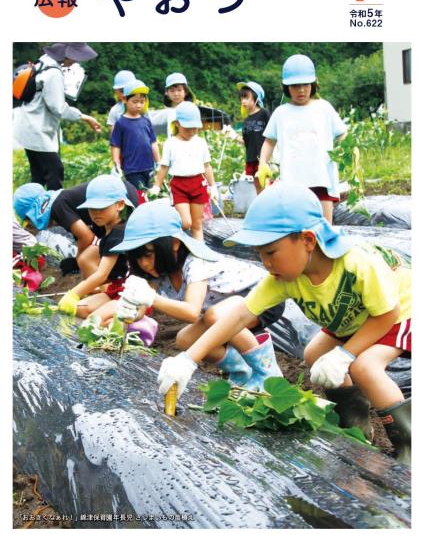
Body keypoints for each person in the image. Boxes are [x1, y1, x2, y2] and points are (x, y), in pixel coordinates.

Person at [155, 182, 411, 465]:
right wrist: (189, 359)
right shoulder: (285, 278)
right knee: (314, 354)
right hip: (353, 319)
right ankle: (356, 428)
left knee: (364, 366)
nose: (265, 262)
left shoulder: (357, 264)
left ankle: (409, 447)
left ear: (308, 241)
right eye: (260, 254)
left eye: (271, 252)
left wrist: (346, 354)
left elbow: (386, 314)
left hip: (400, 311)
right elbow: (239, 315)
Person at [108, 200, 283, 389]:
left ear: (174, 243)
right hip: (225, 312)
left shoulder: (195, 263)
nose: (144, 264)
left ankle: (268, 373)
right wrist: (129, 308)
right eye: (137, 258)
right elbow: (140, 310)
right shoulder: (159, 274)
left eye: (148, 255)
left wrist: (152, 298)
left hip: (260, 297)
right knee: (185, 339)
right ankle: (242, 371)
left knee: (214, 315)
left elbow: (192, 312)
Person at [257, 54, 347, 223]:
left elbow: (342, 134)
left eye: (305, 85)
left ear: (313, 85)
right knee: (298, 230)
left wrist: (347, 153)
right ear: (287, 87)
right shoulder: (281, 113)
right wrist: (262, 163)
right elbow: (269, 141)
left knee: (324, 228)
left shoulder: (324, 108)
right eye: (295, 86)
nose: (301, 90)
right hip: (293, 182)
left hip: (322, 179)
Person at [13, 43, 101, 190]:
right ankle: (54, 209)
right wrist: (85, 117)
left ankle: (30, 210)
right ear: (66, 54)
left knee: (38, 177)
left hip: (28, 125)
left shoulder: (43, 62)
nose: (75, 61)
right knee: (55, 171)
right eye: (74, 57)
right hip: (37, 130)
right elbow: (57, 107)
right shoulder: (53, 72)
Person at [13, 179, 139, 278]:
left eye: (29, 220)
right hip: (123, 195)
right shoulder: (59, 201)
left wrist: (77, 259)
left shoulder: (57, 207)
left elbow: (86, 236)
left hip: (119, 199)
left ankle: (109, 284)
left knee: (89, 258)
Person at [57, 175, 135, 317]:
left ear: (120, 205)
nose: (96, 213)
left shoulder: (118, 234)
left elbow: (101, 274)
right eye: (92, 208)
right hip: (116, 288)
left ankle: (136, 322)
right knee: (78, 309)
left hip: (131, 293)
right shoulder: (108, 230)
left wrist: (74, 293)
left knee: (95, 318)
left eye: (102, 207)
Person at [149, 101, 217, 240]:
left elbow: (207, 166)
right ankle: (174, 246)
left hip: (198, 183)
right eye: (188, 128)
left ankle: (199, 255)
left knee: (197, 224)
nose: (192, 132)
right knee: (186, 223)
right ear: (177, 123)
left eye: (195, 128)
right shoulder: (171, 143)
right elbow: (164, 167)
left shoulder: (200, 143)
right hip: (179, 185)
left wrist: (213, 186)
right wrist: (156, 186)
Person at [110, 79, 160, 191]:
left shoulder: (146, 121)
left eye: (142, 102)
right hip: (132, 169)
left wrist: (159, 162)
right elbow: (115, 145)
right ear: (124, 100)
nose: (139, 105)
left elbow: (153, 143)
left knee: (150, 196)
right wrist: (116, 164)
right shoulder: (121, 123)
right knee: (138, 197)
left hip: (149, 168)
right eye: (135, 102)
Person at [236, 81, 270, 194]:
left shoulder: (264, 113)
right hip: (251, 158)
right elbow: (246, 142)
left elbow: (272, 136)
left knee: (266, 185)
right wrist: (233, 136)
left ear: (256, 98)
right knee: (258, 187)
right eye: (241, 98)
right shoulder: (246, 120)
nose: (243, 101)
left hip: (264, 158)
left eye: (246, 97)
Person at [148, 72, 195, 138]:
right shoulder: (168, 112)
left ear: (186, 91)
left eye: (179, 90)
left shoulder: (192, 110)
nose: (176, 94)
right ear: (167, 93)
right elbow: (150, 120)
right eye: (172, 91)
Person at [107, 70, 136, 134]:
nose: (124, 94)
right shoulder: (114, 111)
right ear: (116, 92)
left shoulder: (140, 107)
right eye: (121, 91)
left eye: (128, 90)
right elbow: (113, 136)